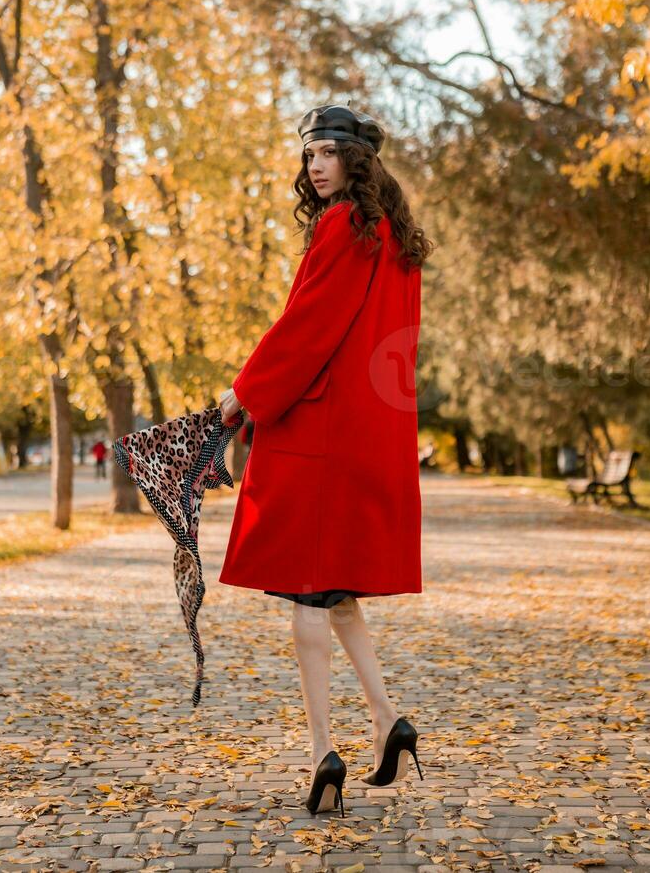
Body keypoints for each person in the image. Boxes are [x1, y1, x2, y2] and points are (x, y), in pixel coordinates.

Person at [218, 103, 435, 817]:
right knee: (338, 595)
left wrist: (246, 393)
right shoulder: (394, 235)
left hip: (321, 431)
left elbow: (307, 326)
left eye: (330, 151)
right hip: (370, 431)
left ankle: (321, 755)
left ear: (358, 160)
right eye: (309, 151)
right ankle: (386, 722)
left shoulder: (342, 225)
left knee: (305, 591)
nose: (315, 163)